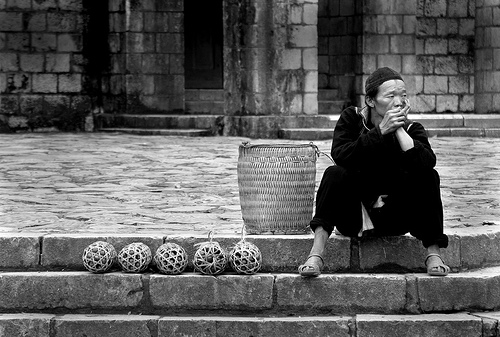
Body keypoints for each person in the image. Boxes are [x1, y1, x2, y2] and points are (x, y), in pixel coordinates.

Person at [298, 67, 450, 277]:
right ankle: (316, 253)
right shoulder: (352, 119)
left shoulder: (413, 128)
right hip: (356, 216)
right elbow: (341, 154)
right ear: (371, 100)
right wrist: (380, 132)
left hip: (396, 217)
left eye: (403, 96)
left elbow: (427, 162)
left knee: (428, 176)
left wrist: (398, 129)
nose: (399, 102)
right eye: (391, 96)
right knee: (334, 173)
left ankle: (433, 253)